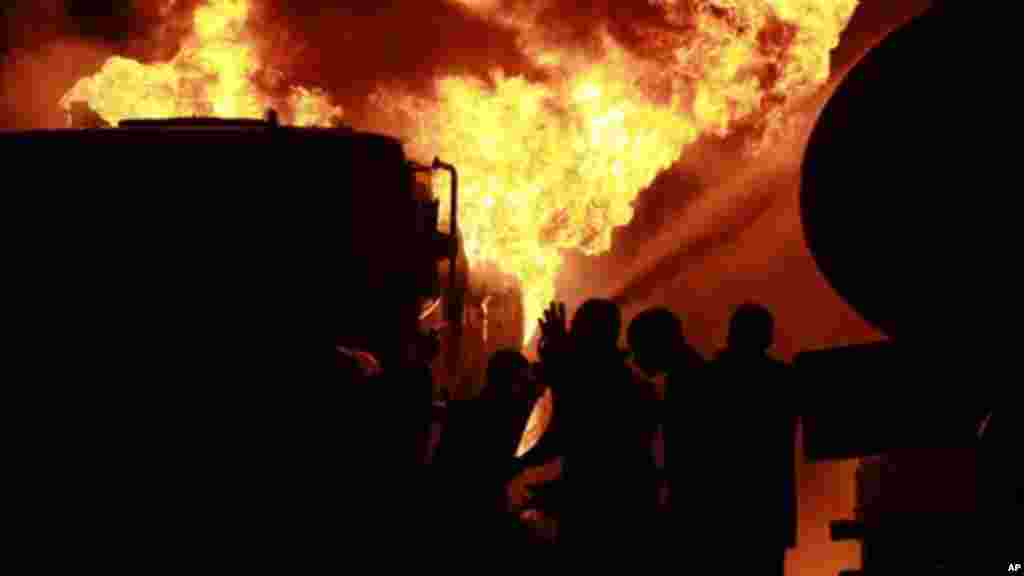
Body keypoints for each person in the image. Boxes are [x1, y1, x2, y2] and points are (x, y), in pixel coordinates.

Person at [537, 299, 658, 548]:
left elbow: (572, 429)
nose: (572, 334)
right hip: (626, 509)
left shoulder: (609, 385)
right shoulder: (634, 384)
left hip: (602, 517)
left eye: (577, 328)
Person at [707, 303, 795, 576]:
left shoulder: (711, 379)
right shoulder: (781, 379)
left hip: (722, 509)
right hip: (768, 508)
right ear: (766, 337)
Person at [433, 349, 537, 548]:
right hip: (476, 517)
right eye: (521, 384)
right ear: (510, 384)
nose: (524, 391)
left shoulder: (467, 412)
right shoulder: (502, 420)